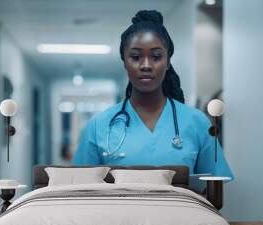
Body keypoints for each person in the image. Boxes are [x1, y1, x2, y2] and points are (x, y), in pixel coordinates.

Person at [72, 10, 234, 179]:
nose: (146, 65)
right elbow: (80, 188)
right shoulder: (99, 125)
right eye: (135, 57)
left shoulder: (197, 122)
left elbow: (213, 189)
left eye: (156, 56)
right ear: (124, 63)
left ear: (168, 62)